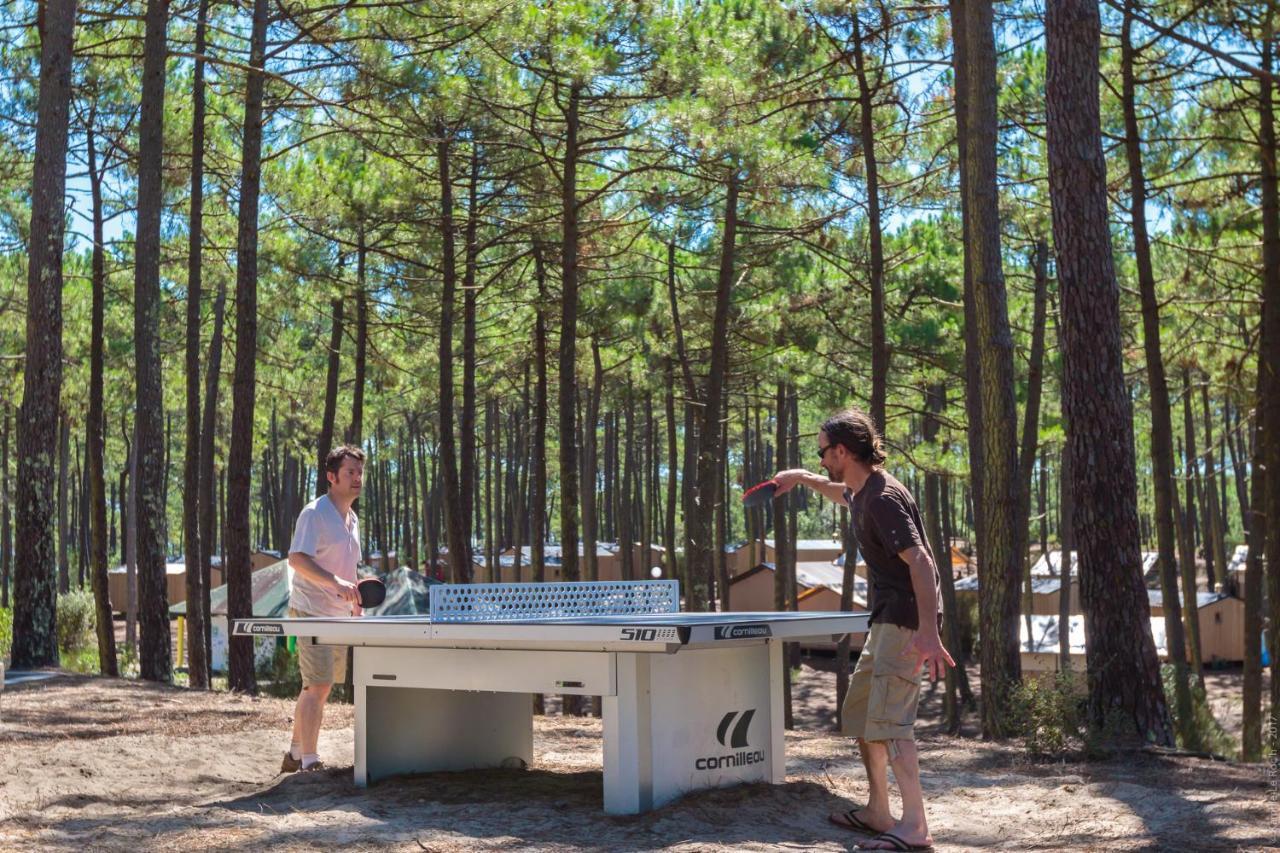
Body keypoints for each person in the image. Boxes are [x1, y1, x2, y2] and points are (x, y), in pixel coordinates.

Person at [774, 407, 953, 852]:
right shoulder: (862, 490)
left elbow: (923, 563)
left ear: (841, 450)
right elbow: (838, 493)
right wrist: (799, 477)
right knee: (862, 715)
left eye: (821, 453)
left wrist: (928, 631)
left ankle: (915, 828)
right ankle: (878, 810)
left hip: (907, 622)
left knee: (892, 724)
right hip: (887, 619)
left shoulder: (883, 499)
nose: (820, 460)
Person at [281, 444, 366, 773]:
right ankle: (310, 762)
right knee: (317, 685)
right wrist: (334, 584)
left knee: (319, 686)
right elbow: (296, 559)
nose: (357, 478)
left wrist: (355, 598)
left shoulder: (353, 519)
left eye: (359, 472)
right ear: (332, 477)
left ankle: (294, 754)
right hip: (310, 611)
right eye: (350, 473)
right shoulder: (314, 513)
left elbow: (349, 568)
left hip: (339, 615)